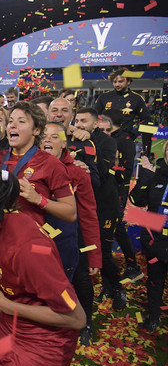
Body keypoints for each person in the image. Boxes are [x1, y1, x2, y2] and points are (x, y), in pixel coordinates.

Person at [0, 158, 85, 366]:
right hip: (9, 327)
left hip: (43, 344)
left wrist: (4, 305)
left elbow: (76, 319)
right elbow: (14, 288)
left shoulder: (27, 248)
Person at [42, 122, 102, 345]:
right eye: (44, 137)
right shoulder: (30, 169)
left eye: (54, 137)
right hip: (41, 241)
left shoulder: (78, 172)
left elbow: (88, 215)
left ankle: (85, 323)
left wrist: (94, 254)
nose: (48, 140)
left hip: (72, 241)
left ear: (65, 143)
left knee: (81, 280)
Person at [74, 108, 127, 310]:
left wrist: (90, 145)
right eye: (77, 120)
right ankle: (105, 287)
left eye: (84, 121)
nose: (79, 124)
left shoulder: (106, 142)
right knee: (84, 252)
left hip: (104, 206)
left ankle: (117, 287)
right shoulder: (71, 140)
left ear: (95, 124)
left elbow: (103, 173)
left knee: (103, 252)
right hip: (84, 206)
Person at [2, 101, 77, 226]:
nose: (12, 126)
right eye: (10, 121)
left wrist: (38, 199)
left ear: (36, 130)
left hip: (28, 240)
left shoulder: (50, 163)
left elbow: (70, 213)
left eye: (21, 121)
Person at [129, 141, 168, 333]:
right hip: (158, 239)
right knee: (155, 279)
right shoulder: (157, 175)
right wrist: (145, 177)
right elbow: (136, 201)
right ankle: (153, 316)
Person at [101, 109, 142, 282]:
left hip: (117, 190)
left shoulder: (124, 141)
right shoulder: (107, 138)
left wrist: (111, 167)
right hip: (106, 188)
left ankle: (133, 266)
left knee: (116, 226)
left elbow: (124, 173)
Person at [94, 68, 153, 155]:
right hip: (105, 141)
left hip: (125, 142)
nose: (117, 84)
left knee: (125, 168)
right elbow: (94, 117)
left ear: (128, 81)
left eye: (120, 81)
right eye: (114, 82)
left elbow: (147, 121)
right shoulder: (104, 97)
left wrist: (133, 134)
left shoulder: (137, 99)